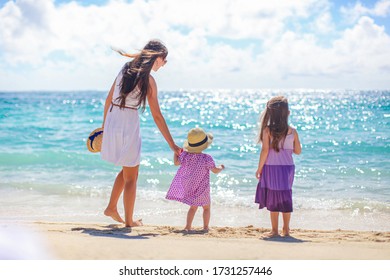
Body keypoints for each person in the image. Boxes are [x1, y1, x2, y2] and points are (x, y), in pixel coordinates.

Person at [101, 40, 181, 227]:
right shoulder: (149, 81)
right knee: (132, 175)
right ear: (157, 57)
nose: (164, 64)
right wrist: (172, 145)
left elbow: (108, 99)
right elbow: (157, 116)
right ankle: (129, 222)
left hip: (113, 119)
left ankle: (111, 207)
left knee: (127, 168)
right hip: (128, 122)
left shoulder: (125, 68)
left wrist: (104, 128)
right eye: (165, 60)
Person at [255, 96, 301, 237]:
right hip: (287, 168)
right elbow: (298, 151)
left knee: (273, 197)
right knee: (286, 196)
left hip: (271, 167)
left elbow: (265, 151)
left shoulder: (267, 131)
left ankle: (275, 230)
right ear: (287, 113)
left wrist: (259, 168)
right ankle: (286, 230)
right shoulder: (292, 131)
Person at [166, 127, 224, 232]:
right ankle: (206, 227)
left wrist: (176, 152)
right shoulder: (207, 158)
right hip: (203, 188)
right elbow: (215, 170)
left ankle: (188, 226)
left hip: (191, 186)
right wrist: (221, 167)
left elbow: (176, 163)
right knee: (206, 208)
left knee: (193, 208)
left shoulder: (185, 156)